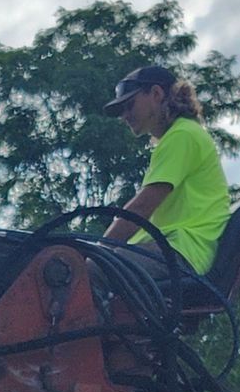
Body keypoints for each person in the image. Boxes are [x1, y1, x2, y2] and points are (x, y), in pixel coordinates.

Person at [99, 62, 231, 277]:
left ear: (156, 93)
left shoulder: (182, 135)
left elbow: (141, 208)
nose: (124, 115)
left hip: (181, 252)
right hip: (176, 249)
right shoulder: (184, 134)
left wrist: (98, 250)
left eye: (129, 105)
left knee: (90, 273)